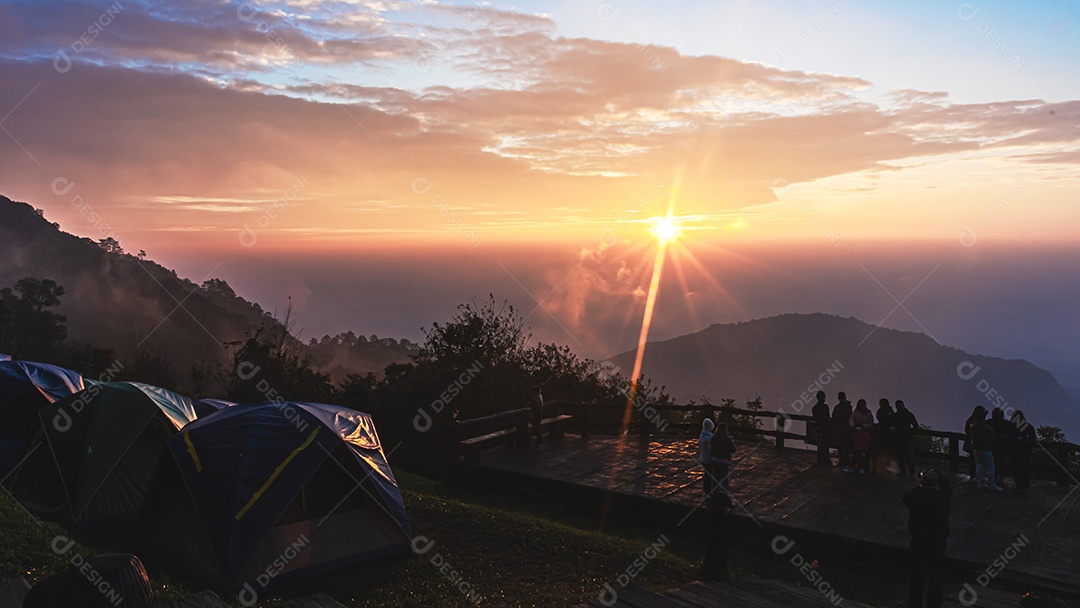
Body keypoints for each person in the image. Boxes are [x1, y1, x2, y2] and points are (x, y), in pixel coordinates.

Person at [903, 468, 952, 608]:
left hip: (919, 538)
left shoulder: (915, 496)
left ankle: (914, 604)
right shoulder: (943, 498)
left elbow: (906, 497)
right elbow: (948, 486)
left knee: (916, 574)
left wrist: (920, 483)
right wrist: (937, 471)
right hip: (938, 539)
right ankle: (934, 604)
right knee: (936, 574)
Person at [969, 409, 1003, 491]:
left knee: (979, 466)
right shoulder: (986, 428)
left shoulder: (972, 426)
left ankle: (980, 483)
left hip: (976, 449)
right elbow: (993, 436)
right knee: (990, 468)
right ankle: (991, 485)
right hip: (986, 449)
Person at [891, 400, 919, 479]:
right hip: (900, 438)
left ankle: (911, 471)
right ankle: (904, 471)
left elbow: (915, 426)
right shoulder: (896, 415)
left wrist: (910, 433)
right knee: (901, 456)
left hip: (907, 438)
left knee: (908, 455)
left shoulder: (908, 415)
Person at [1010, 410, 1036, 493]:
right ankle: (1025, 486)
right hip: (1025, 451)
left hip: (1015, 450)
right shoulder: (1028, 426)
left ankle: (1019, 485)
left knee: (1016, 468)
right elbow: (1033, 438)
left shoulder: (1012, 427)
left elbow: (1010, 437)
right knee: (1024, 468)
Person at [987, 408, 1014, 488]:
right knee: (1001, 463)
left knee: (993, 463)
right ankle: (1000, 478)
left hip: (992, 446)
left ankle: (994, 478)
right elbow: (1011, 434)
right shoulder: (1007, 424)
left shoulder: (989, 422)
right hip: (1002, 447)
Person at [710, 423, 737, 500]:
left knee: (715, 480)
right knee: (724, 482)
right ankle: (725, 497)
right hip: (724, 462)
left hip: (714, 460)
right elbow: (733, 450)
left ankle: (714, 495)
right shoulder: (726, 440)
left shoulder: (713, 438)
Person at [849, 399, 875, 474]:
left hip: (864, 434)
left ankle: (862, 467)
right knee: (855, 452)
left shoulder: (868, 413)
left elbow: (871, 423)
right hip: (856, 434)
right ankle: (855, 466)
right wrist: (853, 425)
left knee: (863, 453)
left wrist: (864, 426)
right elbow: (851, 419)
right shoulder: (856, 412)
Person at [831, 392, 854, 472]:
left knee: (845, 445)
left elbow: (849, 416)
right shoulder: (838, 407)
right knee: (840, 445)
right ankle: (843, 460)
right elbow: (833, 416)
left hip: (845, 428)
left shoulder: (848, 407)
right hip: (840, 428)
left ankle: (847, 461)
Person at [963, 406, 987, 481]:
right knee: (975, 460)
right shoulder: (974, 420)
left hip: (972, 443)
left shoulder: (970, 420)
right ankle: (975, 475)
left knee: (973, 460)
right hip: (975, 444)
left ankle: (974, 475)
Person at [872, 398, 895, 474]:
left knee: (885, 451)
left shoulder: (890, 411)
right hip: (881, 433)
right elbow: (880, 418)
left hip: (886, 433)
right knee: (880, 451)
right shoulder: (882, 411)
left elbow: (891, 420)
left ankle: (883, 466)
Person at [811, 391, 832, 467]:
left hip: (819, 428)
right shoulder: (825, 407)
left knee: (820, 444)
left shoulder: (815, 408)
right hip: (824, 428)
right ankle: (826, 459)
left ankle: (821, 459)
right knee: (825, 444)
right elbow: (827, 417)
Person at [527, 385, 546, 451]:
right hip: (539, 415)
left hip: (536, 416)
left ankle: (539, 444)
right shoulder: (540, 396)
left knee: (537, 430)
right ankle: (538, 443)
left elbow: (533, 405)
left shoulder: (536, 398)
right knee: (537, 429)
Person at [699, 418, 715, 496]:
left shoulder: (702, 435)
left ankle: (707, 491)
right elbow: (711, 450)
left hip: (703, 458)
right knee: (709, 476)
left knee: (707, 475)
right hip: (708, 459)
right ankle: (708, 491)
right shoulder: (709, 438)